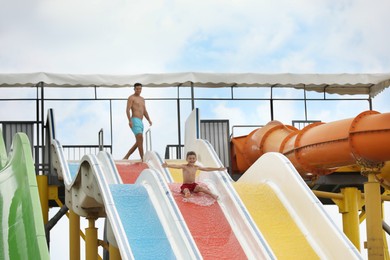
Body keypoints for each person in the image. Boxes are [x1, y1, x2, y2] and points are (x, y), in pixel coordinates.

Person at [162, 151, 226, 200]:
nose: (192, 160)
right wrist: (167, 165)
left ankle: (212, 195)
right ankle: (187, 195)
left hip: (193, 185)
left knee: (201, 188)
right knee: (186, 191)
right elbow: (176, 166)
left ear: (195, 159)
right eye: (190, 158)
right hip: (186, 185)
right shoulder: (184, 166)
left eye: (193, 158)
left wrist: (218, 169)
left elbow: (206, 168)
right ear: (187, 159)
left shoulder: (196, 167)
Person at [123, 82, 152, 161]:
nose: (139, 90)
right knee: (140, 137)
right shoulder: (131, 98)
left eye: (140, 89)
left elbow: (144, 111)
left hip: (141, 122)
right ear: (134, 89)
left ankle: (127, 156)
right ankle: (142, 158)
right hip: (134, 120)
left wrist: (149, 119)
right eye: (137, 89)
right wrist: (129, 121)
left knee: (139, 141)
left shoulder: (142, 99)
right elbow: (127, 109)